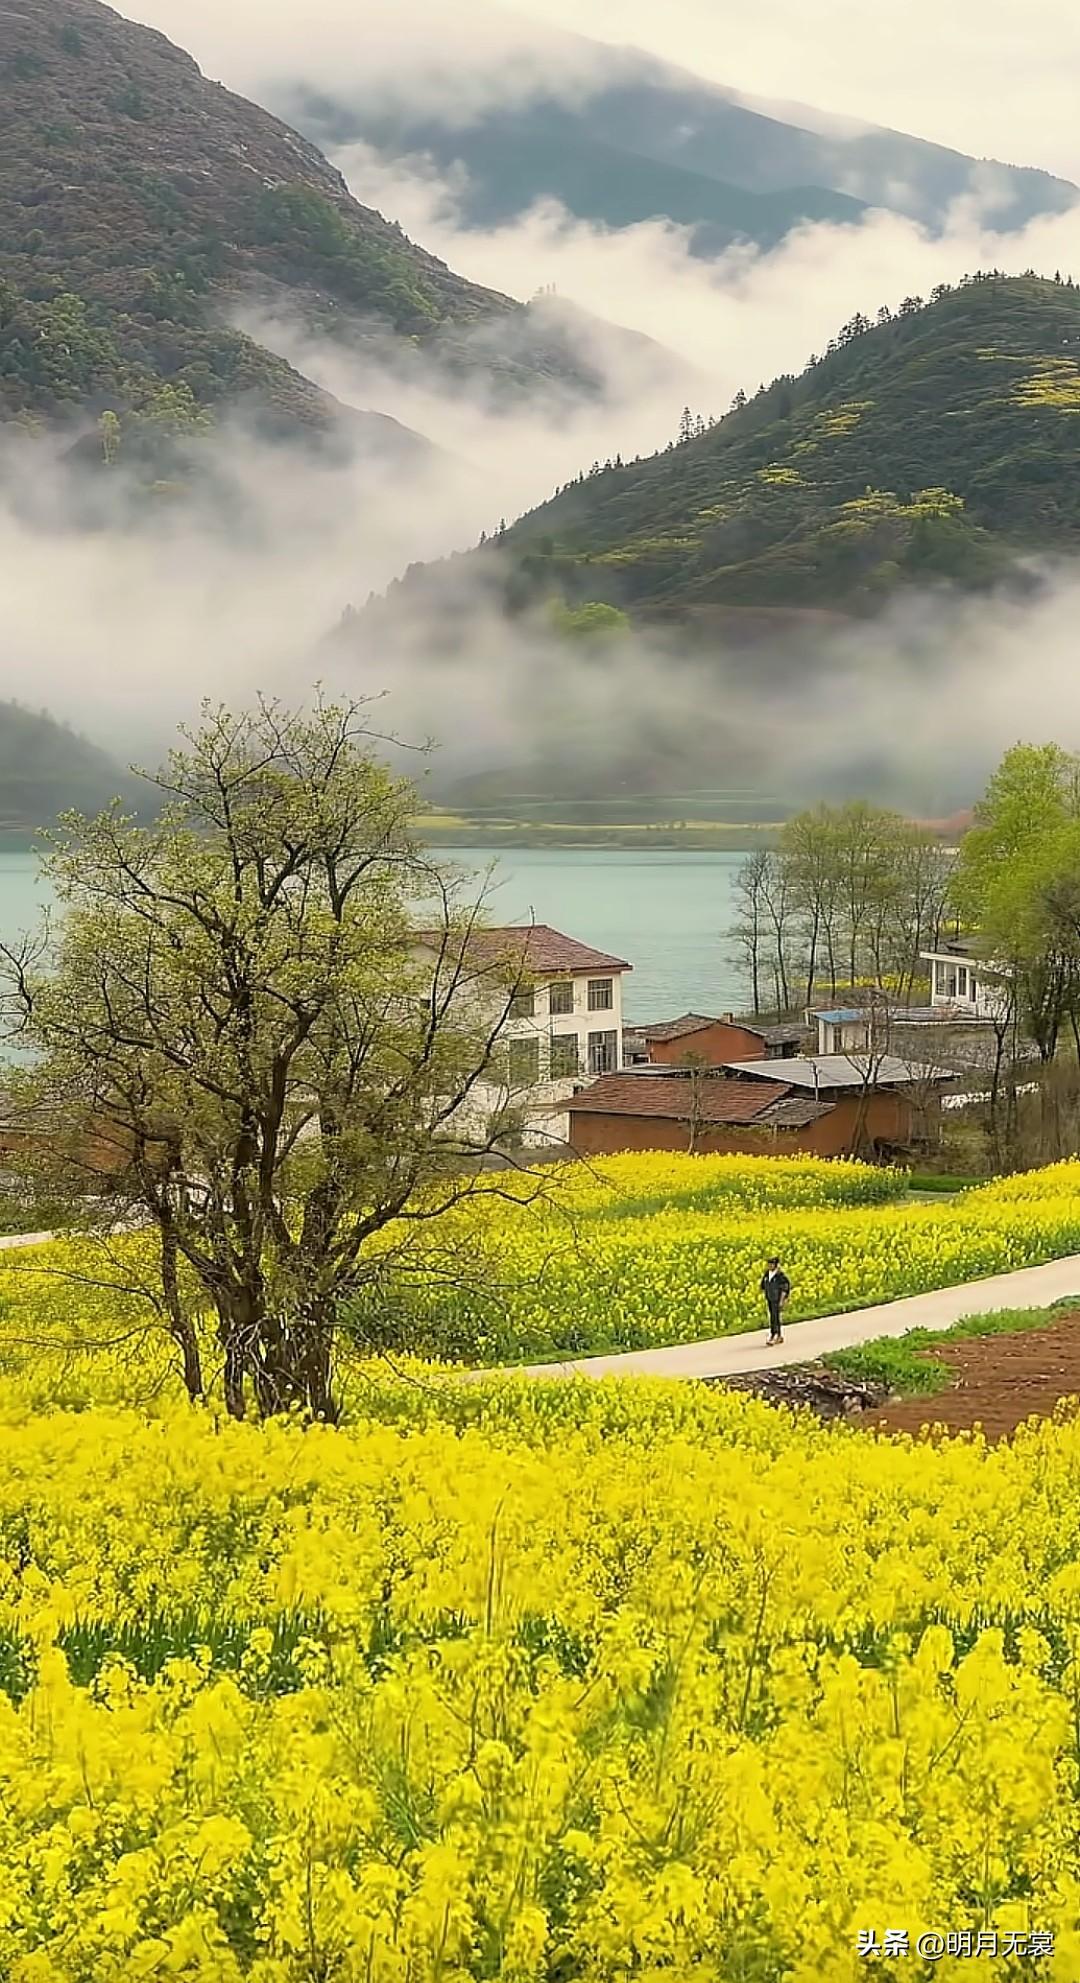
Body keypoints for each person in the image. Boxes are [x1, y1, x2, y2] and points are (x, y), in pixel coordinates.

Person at [761, 1258, 790, 1344]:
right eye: (769, 1264)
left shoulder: (780, 1275)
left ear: (776, 1265)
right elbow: (763, 1285)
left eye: (772, 1264)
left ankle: (775, 1335)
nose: (770, 1266)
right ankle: (777, 1335)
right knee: (772, 1317)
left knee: (775, 1317)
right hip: (770, 1299)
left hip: (777, 1299)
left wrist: (782, 1300)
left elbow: (785, 1288)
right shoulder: (767, 1274)